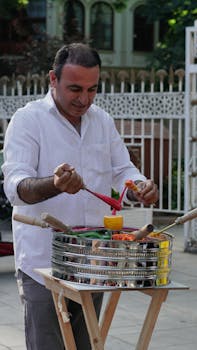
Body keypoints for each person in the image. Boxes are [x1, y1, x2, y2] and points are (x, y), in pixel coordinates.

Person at [2, 43, 158, 350]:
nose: (84, 99)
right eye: (75, 89)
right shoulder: (28, 120)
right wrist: (55, 183)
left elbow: (122, 168)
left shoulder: (102, 120)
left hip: (92, 259)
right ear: (52, 79)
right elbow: (16, 187)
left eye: (92, 89)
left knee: (86, 344)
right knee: (47, 344)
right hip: (43, 262)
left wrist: (141, 185)